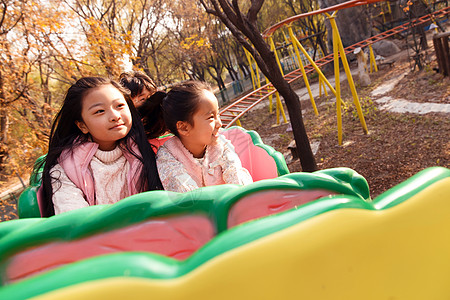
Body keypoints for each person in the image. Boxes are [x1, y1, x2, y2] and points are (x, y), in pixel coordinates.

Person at [37, 77, 163, 217]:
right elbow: (76, 221)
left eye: (119, 106)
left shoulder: (149, 150)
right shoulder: (65, 170)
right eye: (99, 111)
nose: (115, 116)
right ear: (82, 125)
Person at [140, 80, 253, 193]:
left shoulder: (221, 146)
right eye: (210, 117)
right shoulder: (168, 158)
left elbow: (239, 180)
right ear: (184, 127)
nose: (219, 124)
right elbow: (189, 198)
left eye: (218, 114)